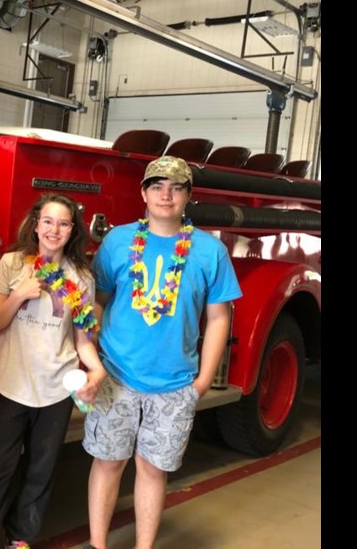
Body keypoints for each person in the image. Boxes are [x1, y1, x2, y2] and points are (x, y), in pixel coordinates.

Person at [83, 155, 242, 549]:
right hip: (116, 375)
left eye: (176, 187)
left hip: (175, 383)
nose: (165, 195)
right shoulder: (118, 240)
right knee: (108, 463)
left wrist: (203, 382)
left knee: (152, 470)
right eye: (157, 186)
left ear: (189, 195)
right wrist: (89, 359)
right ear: (143, 192)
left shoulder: (209, 252)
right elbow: (98, 301)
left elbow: (220, 317)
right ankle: (99, 545)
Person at [0, 193, 107, 549]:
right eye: (48, 221)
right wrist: (19, 294)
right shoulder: (12, 264)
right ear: (36, 224)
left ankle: (21, 538)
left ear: (73, 231)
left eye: (63, 223)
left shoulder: (81, 278)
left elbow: (82, 339)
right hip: (12, 384)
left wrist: (97, 371)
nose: (54, 229)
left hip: (56, 389)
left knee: (41, 471)